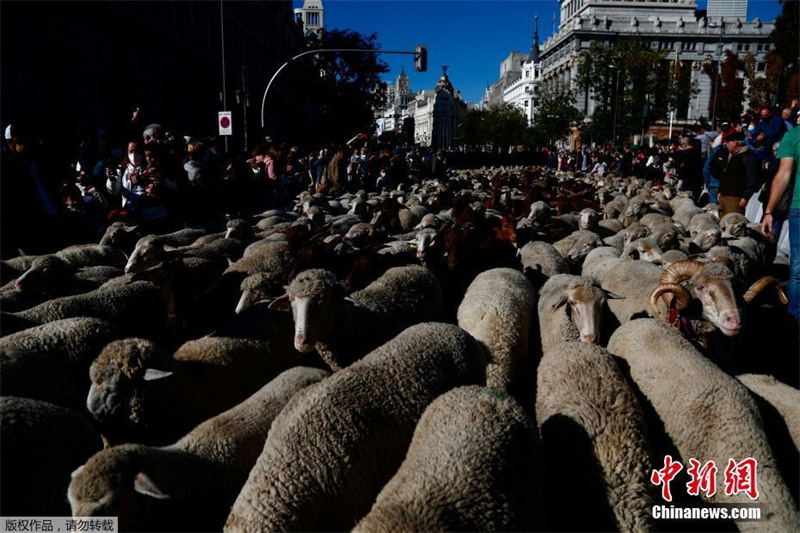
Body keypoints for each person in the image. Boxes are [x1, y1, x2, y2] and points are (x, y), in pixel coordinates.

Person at [761, 126, 800, 322]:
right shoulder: (793, 136)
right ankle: (795, 322)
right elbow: (783, 175)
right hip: (798, 209)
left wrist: (769, 211)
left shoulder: (792, 135)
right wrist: (769, 211)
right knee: (797, 271)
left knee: (797, 272)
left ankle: (794, 322)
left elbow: (783, 174)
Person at [710, 132, 759, 219]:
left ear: (735, 143)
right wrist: (721, 191)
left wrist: (745, 197)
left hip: (736, 198)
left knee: (733, 222)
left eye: (728, 142)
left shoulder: (748, 156)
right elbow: (724, 173)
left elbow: (752, 179)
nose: (726, 144)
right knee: (722, 222)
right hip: (724, 195)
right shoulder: (729, 155)